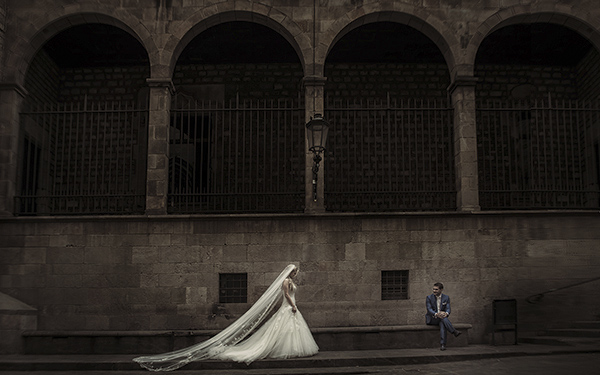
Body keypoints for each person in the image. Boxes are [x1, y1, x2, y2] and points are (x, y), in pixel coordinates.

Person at [133, 264, 318, 371]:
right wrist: (293, 305)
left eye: (295, 273)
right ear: (290, 272)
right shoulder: (286, 282)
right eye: (294, 272)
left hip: (292, 307)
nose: (294, 275)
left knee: (289, 330)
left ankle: (289, 349)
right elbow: (286, 295)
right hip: (289, 307)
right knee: (282, 329)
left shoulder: (291, 281)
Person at [425, 282, 461, 351]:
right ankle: (453, 331)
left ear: (441, 290)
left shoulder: (446, 297)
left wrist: (446, 313)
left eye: (436, 289)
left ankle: (443, 345)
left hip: (441, 318)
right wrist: (436, 314)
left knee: (442, 323)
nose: (434, 291)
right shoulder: (429, 298)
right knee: (443, 319)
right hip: (432, 318)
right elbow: (429, 309)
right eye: (433, 289)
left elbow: (448, 308)